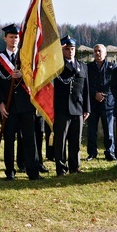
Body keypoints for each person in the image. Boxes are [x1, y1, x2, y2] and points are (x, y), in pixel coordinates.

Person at [0, 24, 42, 181]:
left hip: (26, 105)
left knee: (29, 139)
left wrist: (24, 76)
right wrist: (0, 103)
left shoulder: (26, 57)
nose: (14, 40)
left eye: (16, 37)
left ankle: (32, 170)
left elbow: (35, 79)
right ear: (5, 38)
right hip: (9, 105)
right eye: (11, 37)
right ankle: (10, 171)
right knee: (9, 139)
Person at [52, 36, 90, 176]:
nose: (70, 51)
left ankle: (75, 166)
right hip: (62, 108)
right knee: (60, 140)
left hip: (78, 108)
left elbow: (86, 88)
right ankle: (61, 168)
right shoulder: (57, 66)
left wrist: (87, 108)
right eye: (67, 49)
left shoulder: (82, 66)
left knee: (76, 140)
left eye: (72, 49)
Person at [86, 44, 117, 161]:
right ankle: (92, 153)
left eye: (100, 51)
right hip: (93, 103)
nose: (97, 53)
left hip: (107, 103)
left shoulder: (112, 67)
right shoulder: (88, 67)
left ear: (105, 53)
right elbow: (86, 84)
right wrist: (95, 94)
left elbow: (113, 84)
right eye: (95, 51)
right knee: (91, 130)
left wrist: (103, 94)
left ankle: (110, 152)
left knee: (108, 131)